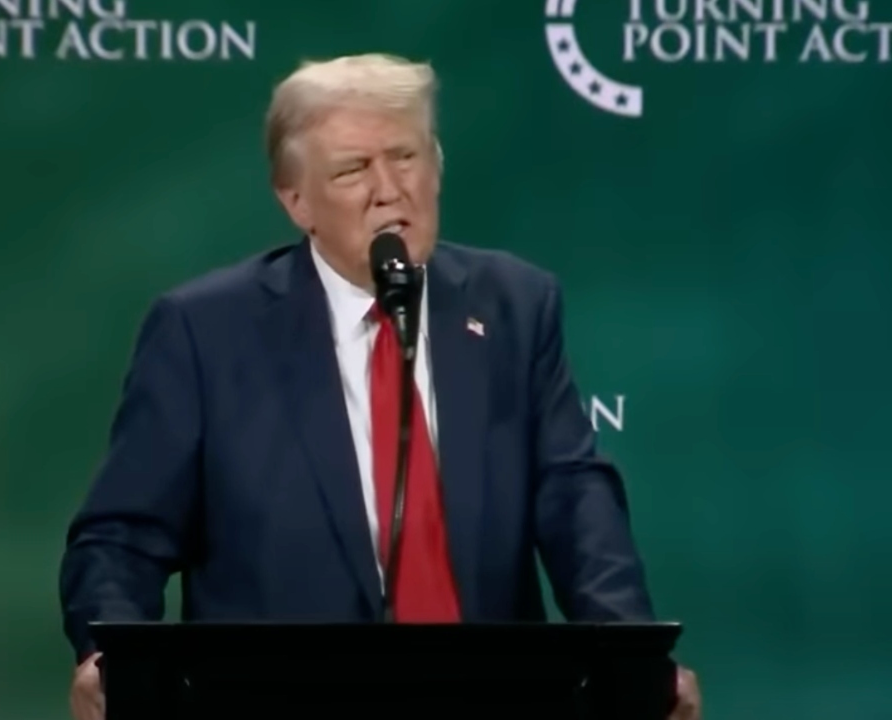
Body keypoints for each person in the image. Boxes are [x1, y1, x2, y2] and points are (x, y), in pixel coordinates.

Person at [59, 53, 701, 720]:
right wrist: (107, 661)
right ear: (296, 200)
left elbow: (574, 502)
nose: (389, 190)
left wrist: (635, 658)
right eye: (352, 170)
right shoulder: (206, 331)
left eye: (406, 157)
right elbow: (122, 537)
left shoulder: (513, 306)